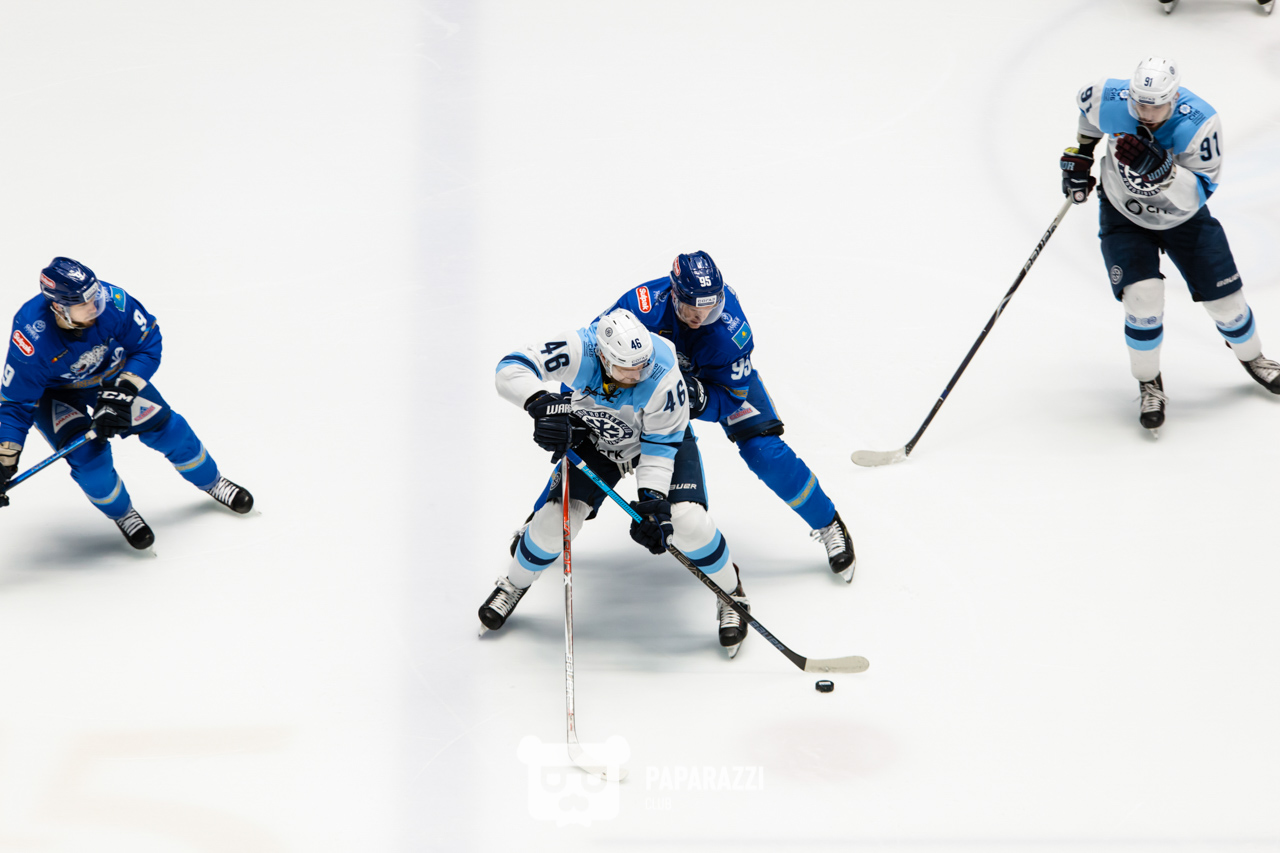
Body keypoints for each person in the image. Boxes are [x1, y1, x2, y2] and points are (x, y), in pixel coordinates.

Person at [483, 308, 750, 655]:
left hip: (659, 441)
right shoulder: (579, 349)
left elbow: (659, 448)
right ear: (604, 357)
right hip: (597, 440)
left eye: (642, 365)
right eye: (627, 368)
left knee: (689, 522)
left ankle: (731, 594)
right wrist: (540, 402)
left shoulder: (663, 372)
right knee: (553, 524)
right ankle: (513, 585)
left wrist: (652, 502)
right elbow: (511, 367)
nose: (638, 374)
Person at [602, 252, 855, 581]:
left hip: (717, 381)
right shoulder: (641, 306)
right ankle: (545, 529)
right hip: (650, 382)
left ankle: (828, 522)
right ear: (674, 294)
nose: (700, 319)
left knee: (765, 453)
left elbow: (733, 397)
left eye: (710, 309)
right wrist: (568, 401)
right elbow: (597, 348)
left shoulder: (731, 330)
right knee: (591, 434)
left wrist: (702, 398)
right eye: (692, 310)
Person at [1060, 57, 1280, 431]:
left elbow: (1198, 194)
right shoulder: (1108, 97)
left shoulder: (1199, 124)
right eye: (1139, 104)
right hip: (1124, 214)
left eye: (1156, 106)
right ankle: (1149, 382)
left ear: (1175, 98)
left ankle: (1253, 357)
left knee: (1226, 304)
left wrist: (1163, 172)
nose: (1146, 114)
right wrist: (1082, 153)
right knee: (1142, 297)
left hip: (1184, 218)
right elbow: (1088, 117)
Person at [0, 257, 253, 548]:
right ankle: (123, 514)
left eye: (95, 297)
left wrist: (121, 391)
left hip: (112, 377)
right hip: (56, 393)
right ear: (59, 307)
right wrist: (5, 460)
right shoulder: (31, 338)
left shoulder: (114, 302)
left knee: (169, 430)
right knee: (90, 462)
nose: (95, 307)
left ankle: (213, 482)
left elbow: (148, 343)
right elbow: (16, 404)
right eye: (84, 303)